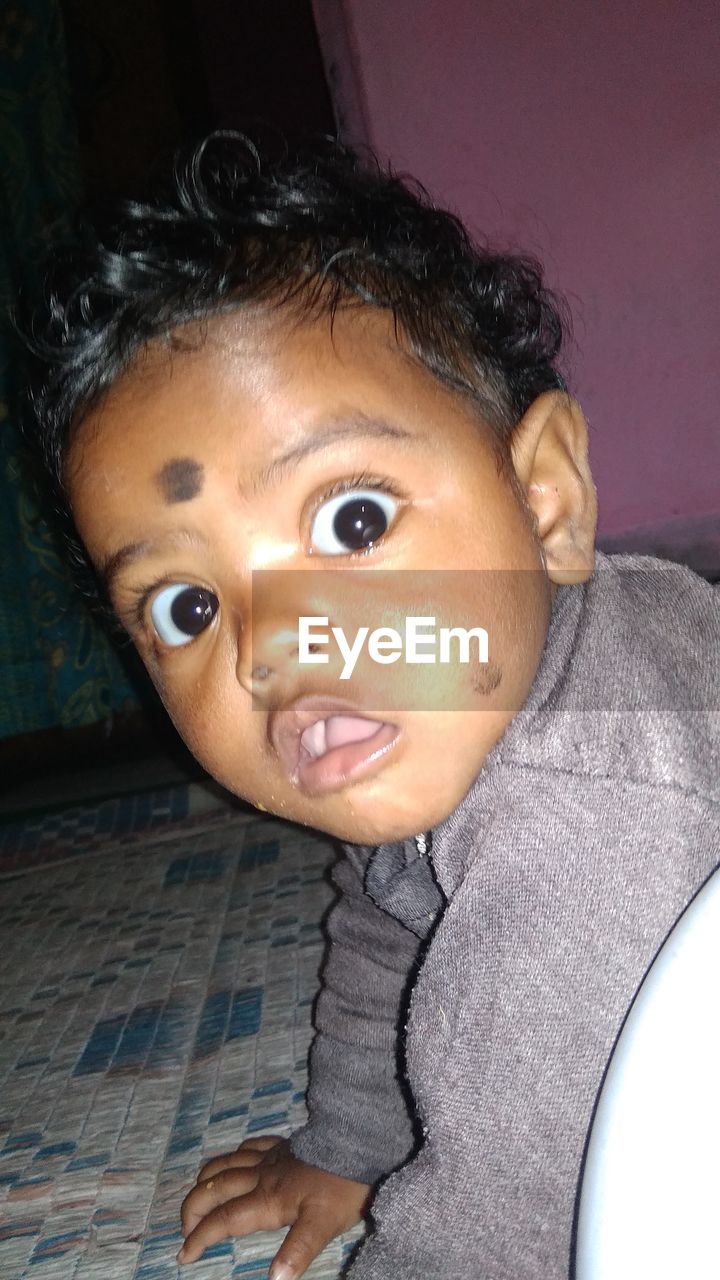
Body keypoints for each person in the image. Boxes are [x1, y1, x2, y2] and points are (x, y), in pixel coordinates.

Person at [21, 133, 719, 1280]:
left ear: (544, 501)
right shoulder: (447, 705)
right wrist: (349, 1145)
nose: (277, 646)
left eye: (351, 523)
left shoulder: (589, 833)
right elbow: (391, 913)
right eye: (188, 604)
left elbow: (518, 1210)